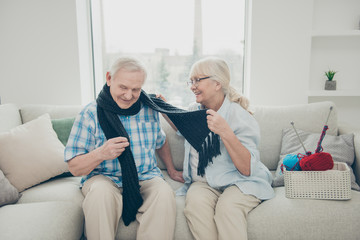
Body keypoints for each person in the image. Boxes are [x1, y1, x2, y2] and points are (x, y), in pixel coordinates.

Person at [64, 56, 183, 240]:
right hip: (104, 178)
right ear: (109, 78)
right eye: (123, 87)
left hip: (145, 176)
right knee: (100, 195)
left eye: (136, 89)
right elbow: (74, 167)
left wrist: (171, 169)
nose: (129, 96)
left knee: (164, 194)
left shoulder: (149, 109)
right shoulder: (89, 113)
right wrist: (100, 153)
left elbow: (161, 141)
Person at [163, 57, 275, 240]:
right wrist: (164, 109)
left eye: (198, 80)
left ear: (217, 84)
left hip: (240, 180)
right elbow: (184, 129)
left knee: (228, 209)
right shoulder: (195, 110)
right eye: (191, 81)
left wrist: (225, 131)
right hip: (205, 182)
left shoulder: (240, 115)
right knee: (194, 206)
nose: (192, 86)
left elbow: (246, 169)